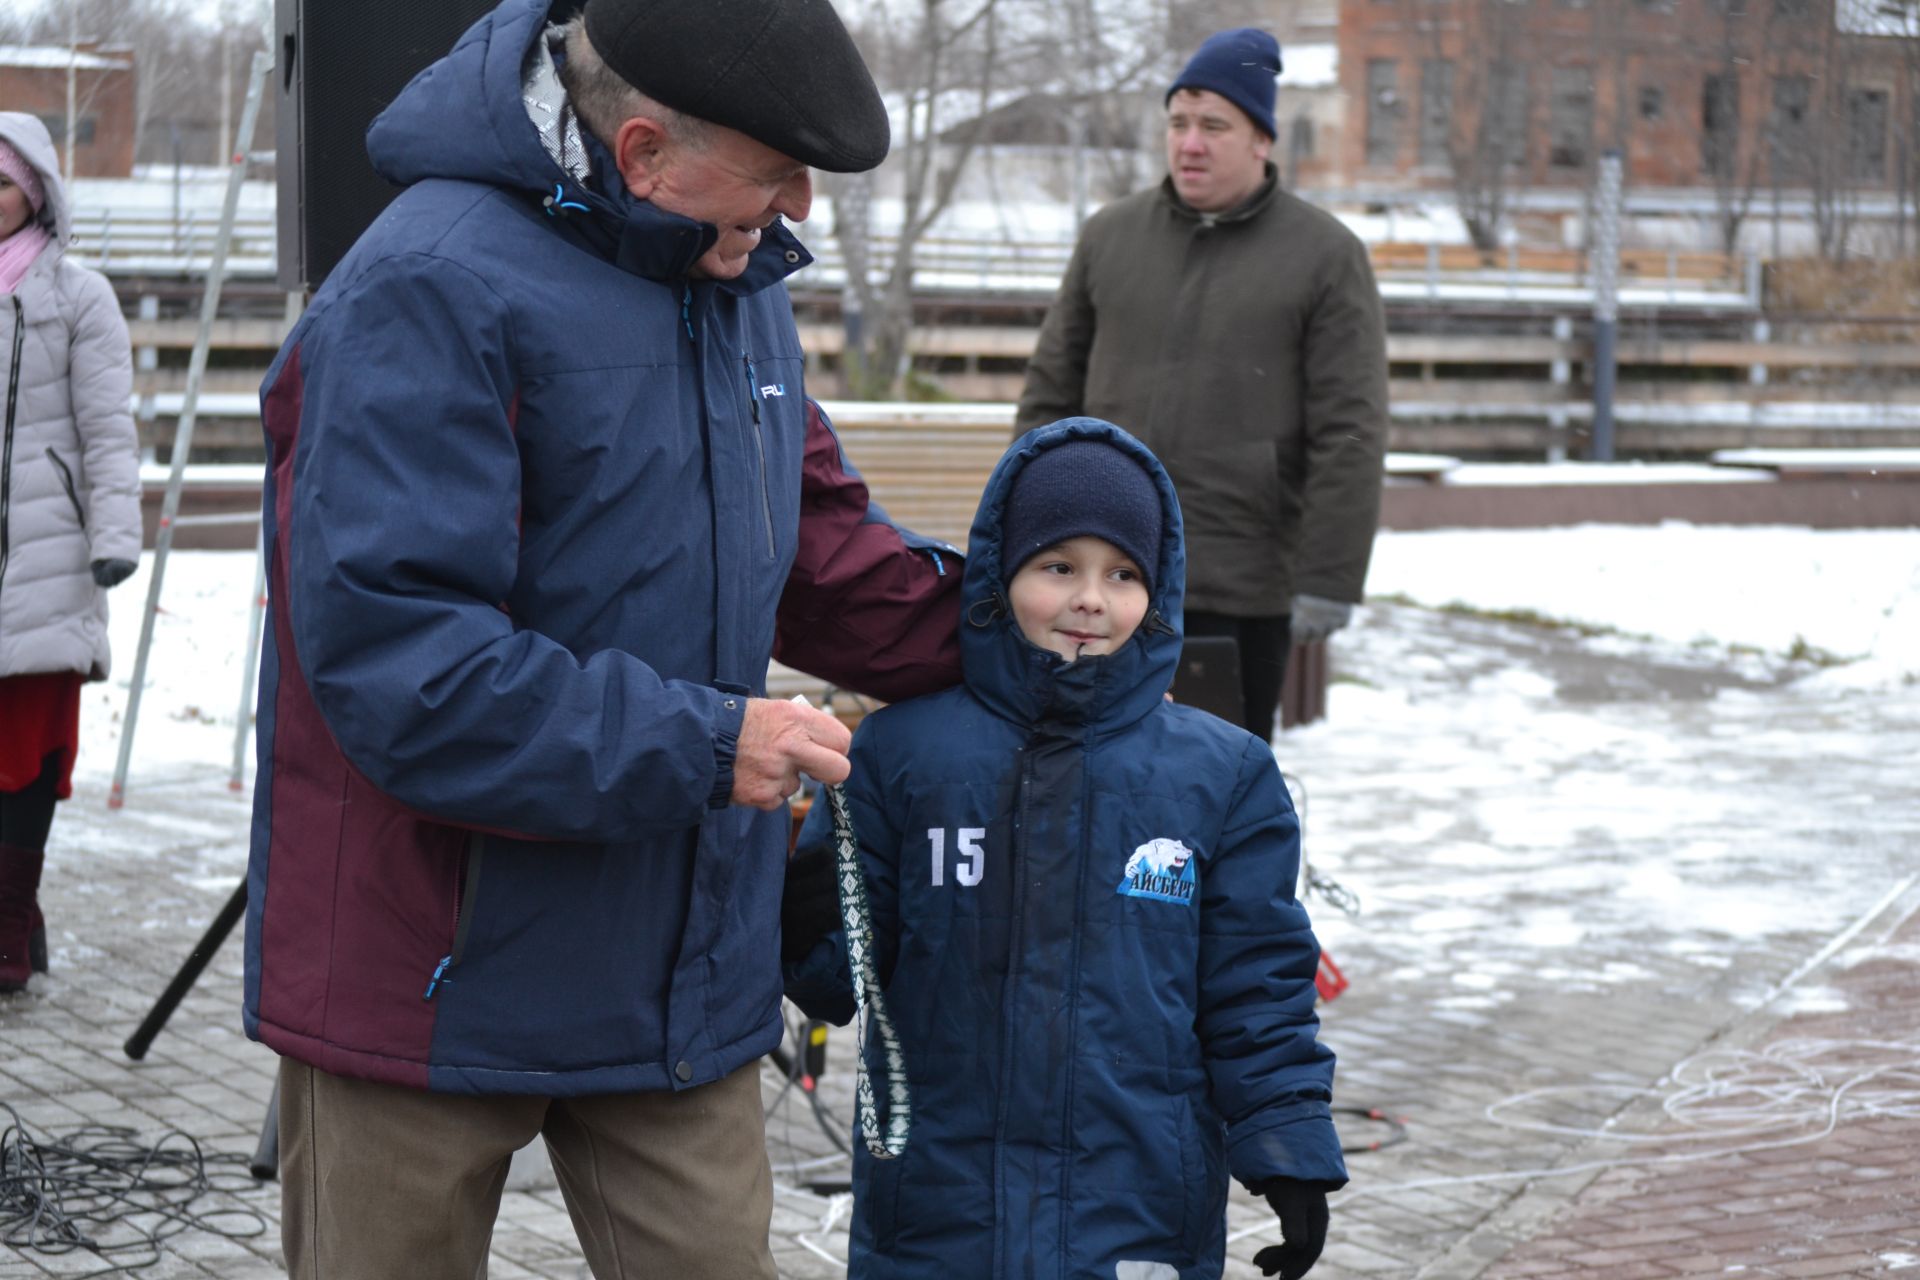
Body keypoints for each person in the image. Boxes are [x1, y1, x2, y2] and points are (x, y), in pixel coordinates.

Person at [244, 0, 964, 1274]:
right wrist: (707, 746)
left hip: (676, 974)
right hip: (426, 971)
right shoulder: (424, 286)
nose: (798, 205)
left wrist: (1037, 638)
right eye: (772, 173)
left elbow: (818, 550)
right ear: (640, 152)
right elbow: (407, 669)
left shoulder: (730, 267)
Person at [783, 418, 1348, 1279]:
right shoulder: (900, 757)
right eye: (1059, 568)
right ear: (1000, 574)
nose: (1091, 599)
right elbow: (838, 981)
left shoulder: (1223, 775)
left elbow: (1257, 984)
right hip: (938, 1212)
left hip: (1137, 1208)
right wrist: (797, 909)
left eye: (1123, 575)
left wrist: (1289, 1143)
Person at [1015, 28, 1389, 745]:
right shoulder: (1110, 237)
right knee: (1082, 772)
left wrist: (1331, 575)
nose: (1190, 143)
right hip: (1102, 579)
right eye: (1178, 124)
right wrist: (1026, 536)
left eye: (1214, 126)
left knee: (1217, 790)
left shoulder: (1326, 256)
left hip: (1239, 582)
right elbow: (1050, 394)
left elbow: (1352, 428)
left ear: (1261, 140)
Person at [0, 113, 142, 995]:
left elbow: (108, 432)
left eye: (2, 183)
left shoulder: (78, 297)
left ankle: (8, 931)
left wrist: (115, 538)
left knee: (25, 750)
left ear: (37, 191)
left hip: (49, 558)